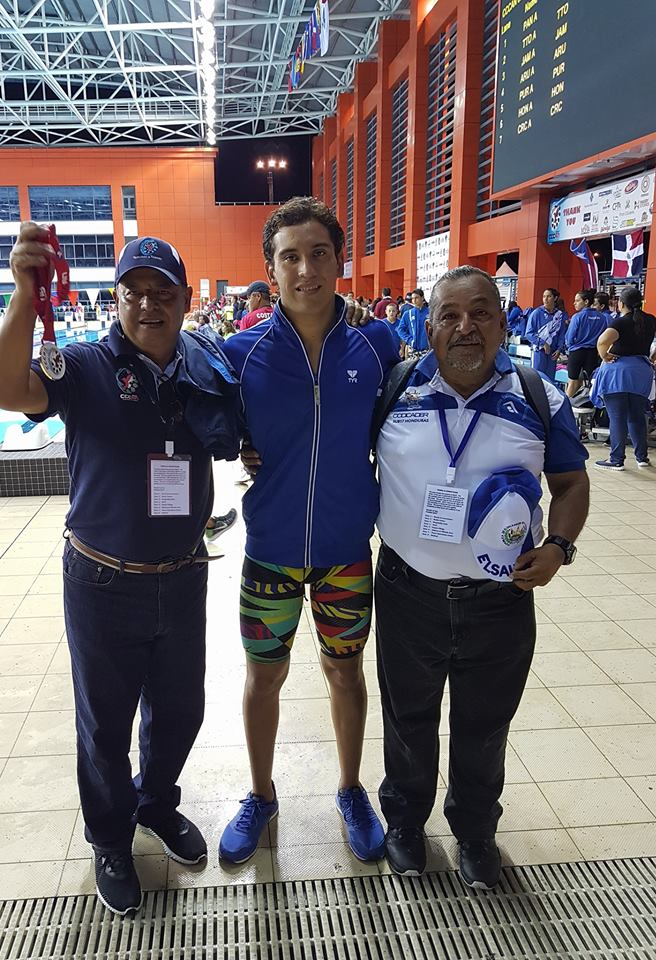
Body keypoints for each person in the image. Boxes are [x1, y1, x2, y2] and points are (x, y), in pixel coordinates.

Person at [0, 228, 241, 917]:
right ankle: (110, 840)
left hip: (182, 575)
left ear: (186, 300)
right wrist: (23, 295)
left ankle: (155, 805)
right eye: (134, 292)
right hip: (102, 580)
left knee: (180, 711)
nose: (148, 304)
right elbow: (1, 389)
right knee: (104, 727)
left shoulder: (205, 365)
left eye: (163, 292)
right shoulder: (86, 367)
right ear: (117, 299)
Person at [373, 265, 589, 889]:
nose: (465, 327)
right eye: (450, 315)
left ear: (502, 322)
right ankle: (405, 822)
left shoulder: (540, 396)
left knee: (485, 724)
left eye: (481, 313)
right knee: (407, 717)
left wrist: (559, 548)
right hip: (408, 591)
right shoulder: (395, 389)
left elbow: (571, 483)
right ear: (430, 327)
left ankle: (475, 830)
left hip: (500, 600)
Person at [218, 197, 399, 866]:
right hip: (270, 552)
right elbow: (213, 427)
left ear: (338, 261)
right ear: (271, 268)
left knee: (345, 673)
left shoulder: (378, 346)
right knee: (262, 678)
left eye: (318, 254)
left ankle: (351, 790)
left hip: (345, 551)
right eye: (289, 257)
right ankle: (261, 794)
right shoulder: (241, 354)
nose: (305, 269)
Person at [592, 285, 656, 470]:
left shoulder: (620, 322)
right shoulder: (650, 320)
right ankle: (642, 458)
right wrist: (652, 358)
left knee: (617, 416)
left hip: (618, 372)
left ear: (621, 303)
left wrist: (605, 356)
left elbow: (602, 341)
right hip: (641, 371)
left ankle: (616, 459)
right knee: (637, 415)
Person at [564, 290, 607, 397]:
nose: (574, 303)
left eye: (577, 300)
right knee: (590, 383)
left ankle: (566, 404)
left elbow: (569, 337)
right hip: (592, 353)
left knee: (572, 382)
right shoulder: (602, 318)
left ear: (586, 301)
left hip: (576, 352)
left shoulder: (577, 317)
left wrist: (570, 347)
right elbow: (603, 337)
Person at [525, 288, 568, 382]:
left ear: (555, 298)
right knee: (537, 379)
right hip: (539, 351)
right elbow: (528, 333)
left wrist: (559, 349)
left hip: (553, 353)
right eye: (544, 296)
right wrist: (543, 343)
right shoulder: (536, 313)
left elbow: (561, 334)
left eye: (549, 296)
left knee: (549, 381)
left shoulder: (559, 315)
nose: (545, 299)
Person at [397, 288, 430, 357]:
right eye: (412, 298)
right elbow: (400, 329)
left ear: (422, 298)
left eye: (416, 298)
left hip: (428, 350)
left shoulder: (430, 312)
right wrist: (409, 340)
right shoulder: (408, 314)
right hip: (413, 350)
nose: (414, 300)